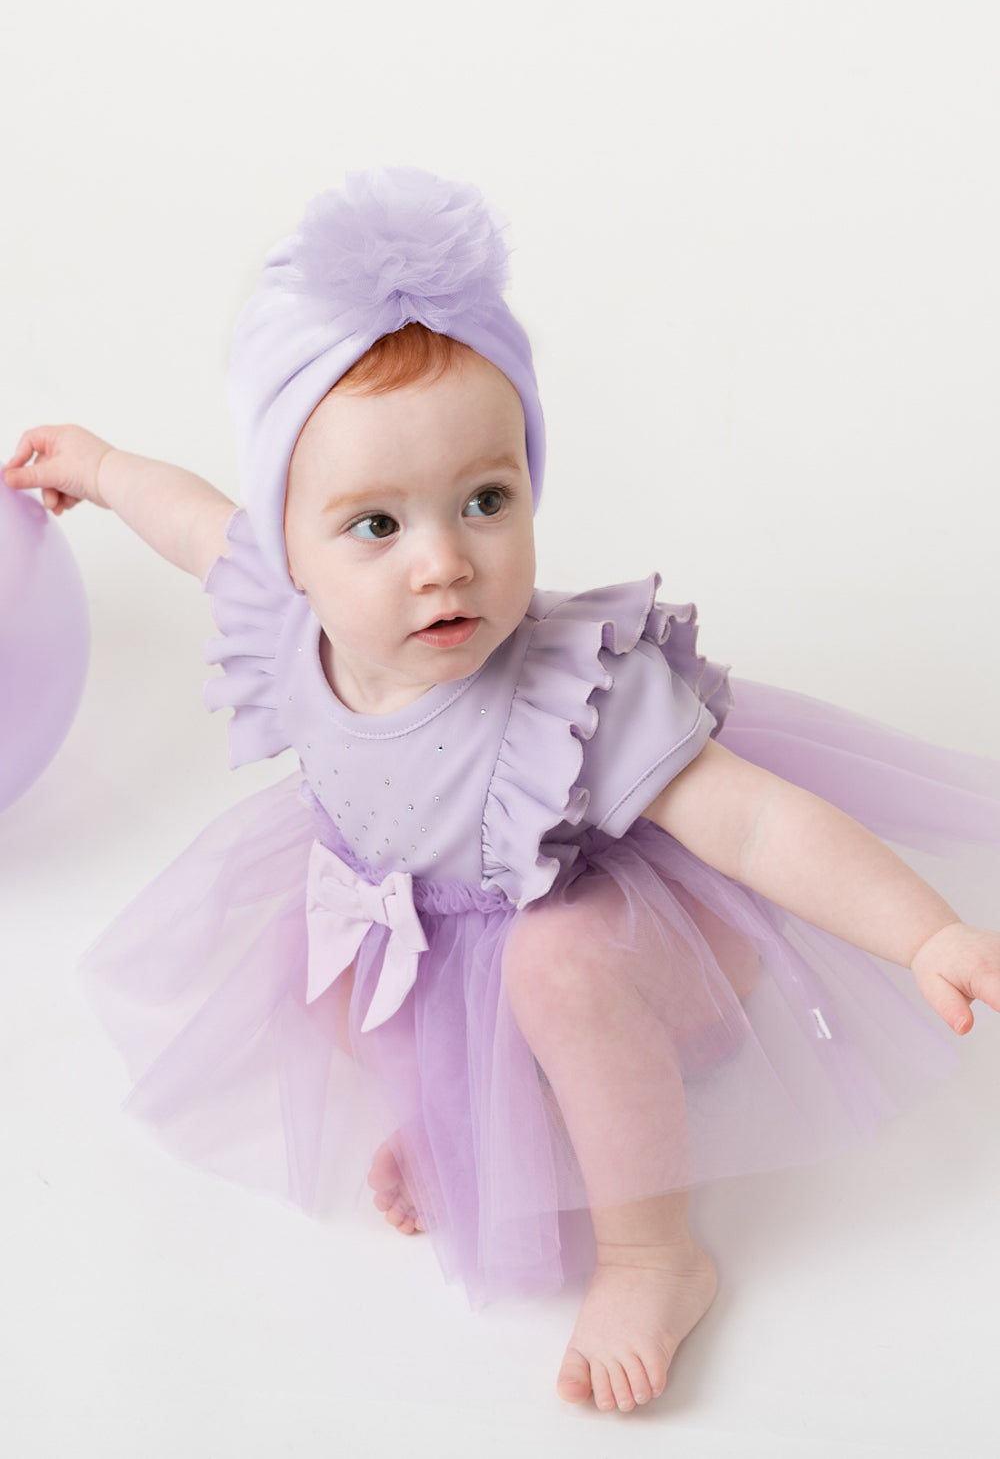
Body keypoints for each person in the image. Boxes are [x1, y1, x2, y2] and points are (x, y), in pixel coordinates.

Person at [6, 167, 1000, 1417]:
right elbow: (192, 518)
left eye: (485, 499)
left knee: (551, 967)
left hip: (635, 943)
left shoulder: (570, 695)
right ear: (293, 546)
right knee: (331, 964)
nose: (444, 562)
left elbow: (751, 818)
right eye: (375, 525)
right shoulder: (275, 608)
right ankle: (483, 1117)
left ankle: (654, 1253)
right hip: (426, 916)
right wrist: (95, 467)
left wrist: (925, 932)